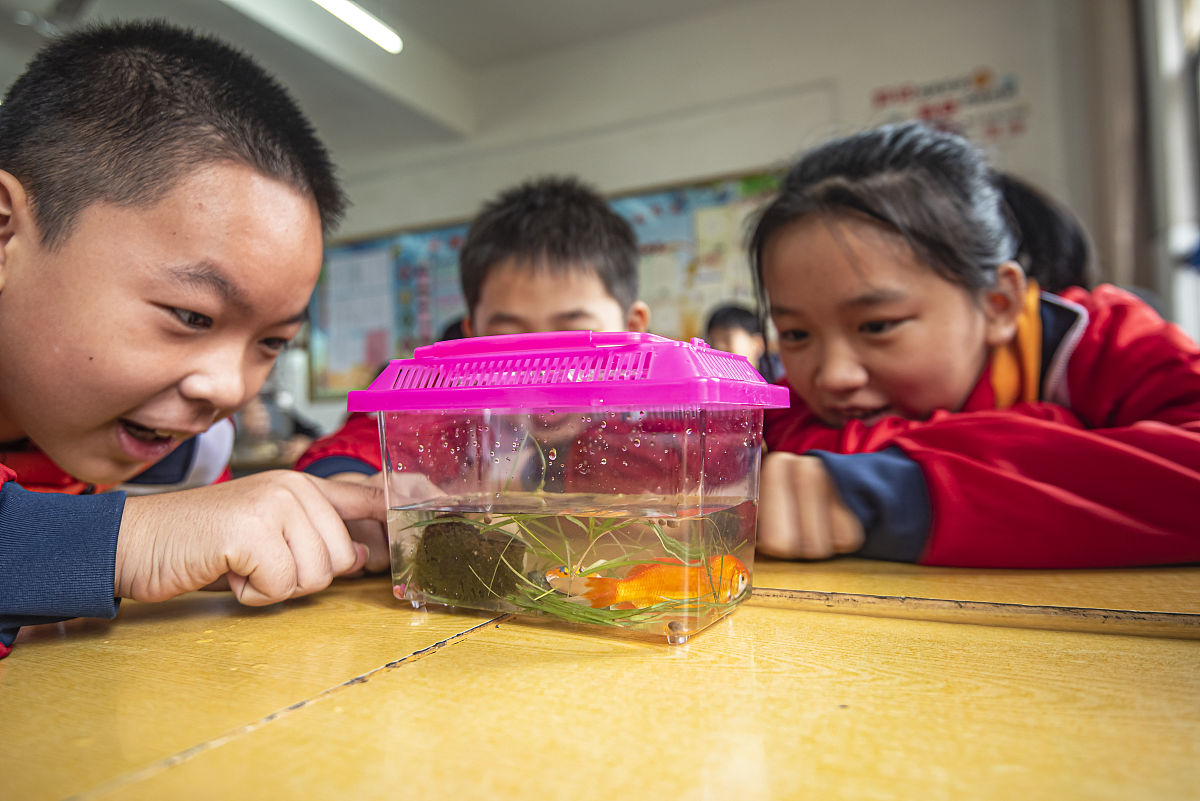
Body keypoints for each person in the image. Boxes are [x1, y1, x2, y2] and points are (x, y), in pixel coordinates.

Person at [0, 21, 386, 658]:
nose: (228, 389)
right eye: (191, 316)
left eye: (271, 343)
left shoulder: (185, 456)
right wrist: (131, 541)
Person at [749, 121, 1200, 568]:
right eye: (796, 334)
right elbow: (787, 437)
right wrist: (1046, 428)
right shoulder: (803, 397)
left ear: (998, 304)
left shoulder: (1107, 338)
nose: (833, 376)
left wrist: (904, 494)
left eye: (877, 325)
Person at [295, 176, 651, 563]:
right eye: (508, 341)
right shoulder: (454, 430)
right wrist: (348, 487)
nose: (544, 371)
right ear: (470, 338)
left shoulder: (661, 432)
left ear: (632, 329)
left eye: (574, 337)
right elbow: (355, 447)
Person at [704, 303, 782, 382]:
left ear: (758, 343)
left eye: (727, 339)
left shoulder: (780, 379)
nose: (718, 347)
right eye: (712, 342)